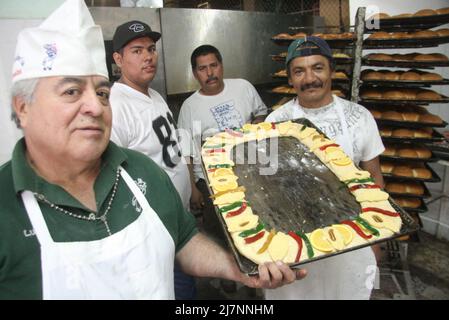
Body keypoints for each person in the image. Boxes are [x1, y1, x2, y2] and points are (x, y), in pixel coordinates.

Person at [0, 0, 304, 300]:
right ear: (23, 108)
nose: (96, 106)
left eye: (102, 93)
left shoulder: (141, 170)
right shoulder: (6, 208)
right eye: (71, 92)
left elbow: (183, 240)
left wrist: (239, 268)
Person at [264, 36, 384, 300]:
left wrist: (376, 237)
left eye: (317, 67)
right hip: (294, 241)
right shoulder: (274, 123)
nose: (310, 78)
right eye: (299, 71)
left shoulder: (359, 118)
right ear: (290, 79)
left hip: (351, 236)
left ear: (331, 70)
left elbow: (374, 177)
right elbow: (265, 189)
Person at [109, 20, 195, 299]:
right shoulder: (115, 106)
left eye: (151, 48)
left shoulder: (155, 95)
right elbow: (111, 176)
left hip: (178, 219)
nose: (148, 56)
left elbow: (172, 150)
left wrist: (190, 188)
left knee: (185, 287)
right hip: (153, 230)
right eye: (137, 51)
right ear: (118, 59)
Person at [177, 44, 268, 223]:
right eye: (202, 68)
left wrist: (252, 132)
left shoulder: (243, 87)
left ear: (222, 65)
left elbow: (261, 113)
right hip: (210, 180)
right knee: (220, 229)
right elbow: (186, 153)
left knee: (257, 221)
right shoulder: (189, 107)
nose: (210, 73)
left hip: (249, 171)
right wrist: (193, 189)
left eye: (214, 65)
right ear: (195, 74)